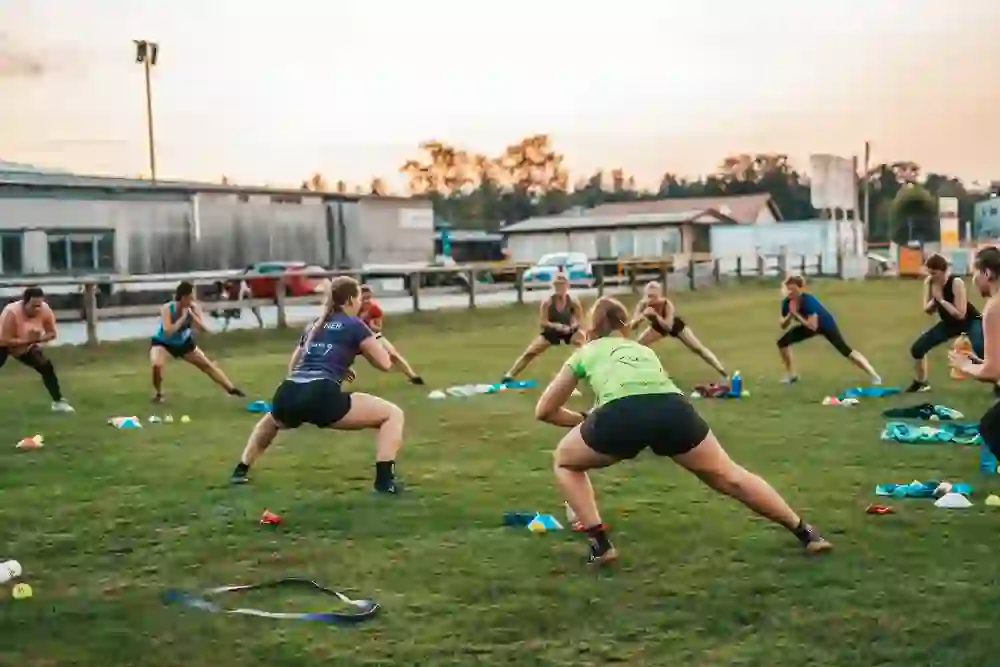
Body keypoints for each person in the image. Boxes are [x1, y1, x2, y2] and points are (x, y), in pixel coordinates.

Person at [535, 296, 833, 565]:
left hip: (620, 415)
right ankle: (806, 533)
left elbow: (544, 410)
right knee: (730, 476)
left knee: (565, 460)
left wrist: (584, 420)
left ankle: (600, 545)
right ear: (624, 323)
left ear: (592, 326)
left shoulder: (585, 352)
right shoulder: (643, 350)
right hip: (673, 409)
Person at [229, 276, 405, 494]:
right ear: (350, 300)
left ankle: (241, 469)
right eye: (359, 297)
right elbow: (385, 364)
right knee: (392, 414)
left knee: (270, 422)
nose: (361, 302)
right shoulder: (355, 325)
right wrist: (372, 341)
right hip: (320, 393)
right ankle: (384, 482)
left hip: (289, 390)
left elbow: (295, 365)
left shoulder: (314, 324)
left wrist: (341, 368)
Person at [149, 281, 246, 402]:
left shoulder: (193, 308)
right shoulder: (168, 308)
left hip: (184, 343)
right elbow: (168, 331)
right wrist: (183, 318)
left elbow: (202, 329)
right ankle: (158, 394)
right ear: (183, 297)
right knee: (156, 365)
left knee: (208, 366)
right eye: (190, 298)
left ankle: (231, 389)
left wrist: (193, 316)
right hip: (163, 342)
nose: (192, 300)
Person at [777, 275, 881, 385]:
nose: (789, 292)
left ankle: (874, 375)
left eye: (792, 289)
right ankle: (792, 375)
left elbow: (813, 326)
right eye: (788, 289)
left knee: (845, 351)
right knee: (782, 343)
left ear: (800, 289)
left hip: (825, 324)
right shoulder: (787, 303)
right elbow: (782, 325)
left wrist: (796, 315)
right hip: (809, 325)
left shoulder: (808, 301)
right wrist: (790, 315)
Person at [906, 253, 983, 393]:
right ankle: (921, 382)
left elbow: (961, 314)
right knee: (917, 349)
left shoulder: (956, 283)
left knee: (981, 348)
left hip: (970, 321)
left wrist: (941, 300)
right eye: (929, 272)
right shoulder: (929, 283)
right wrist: (935, 301)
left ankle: (998, 382)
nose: (931, 276)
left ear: (943, 271)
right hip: (949, 323)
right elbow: (927, 310)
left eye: (934, 273)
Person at [950, 247, 1000, 458]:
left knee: (991, 428)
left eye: (975, 273)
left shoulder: (994, 308)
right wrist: (978, 361)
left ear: (987, 273)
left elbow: (992, 371)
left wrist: (966, 366)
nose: (973, 279)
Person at [629, 281, 727, 379]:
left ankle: (721, 370)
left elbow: (668, 327)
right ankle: (642, 374)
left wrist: (656, 316)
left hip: (673, 324)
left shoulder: (666, 304)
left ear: (659, 294)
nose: (651, 299)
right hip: (657, 327)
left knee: (698, 348)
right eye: (649, 296)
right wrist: (641, 317)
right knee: (637, 346)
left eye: (654, 296)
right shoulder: (642, 305)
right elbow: (632, 326)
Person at [0, 287, 74, 412]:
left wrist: (39, 339)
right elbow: (5, 340)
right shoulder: (12, 312)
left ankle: (58, 402)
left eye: (39, 305)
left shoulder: (45, 310)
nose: (37, 309)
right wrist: (28, 341)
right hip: (3, 344)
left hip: (27, 344)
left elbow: (52, 333)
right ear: (25, 303)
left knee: (46, 366)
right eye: (34, 306)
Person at [502, 274, 585, 382]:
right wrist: (556, 326)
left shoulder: (573, 301)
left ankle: (590, 371)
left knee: (586, 346)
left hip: (568, 330)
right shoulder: (548, 302)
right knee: (530, 352)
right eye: (557, 285)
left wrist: (572, 327)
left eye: (562, 285)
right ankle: (510, 375)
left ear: (567, 286)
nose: (560, 288)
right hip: (551, 331)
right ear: (553, 286)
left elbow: (579, 320)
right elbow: (543, 322)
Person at [358, 285, 424, 385]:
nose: (366, 300)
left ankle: (413, 376)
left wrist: (371, 325)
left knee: (393, 354)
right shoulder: (353, 309)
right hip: (356, 338)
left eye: (368, 297)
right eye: (363, 297)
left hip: (373, 336)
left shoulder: (374, 309)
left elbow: (379, 328)